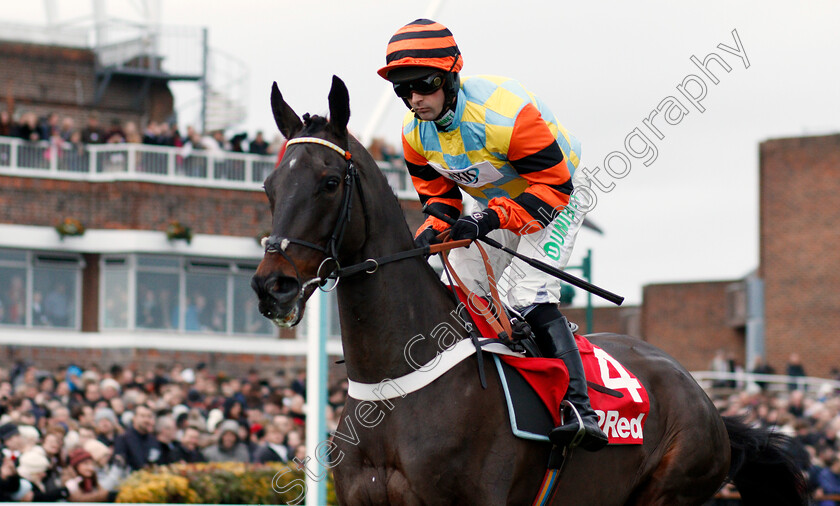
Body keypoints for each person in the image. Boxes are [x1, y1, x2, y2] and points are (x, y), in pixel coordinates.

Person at [377, 19, 605, 451]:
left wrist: (486, 220)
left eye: (423, 84)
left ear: (450, 75)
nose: (414, 99)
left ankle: (580, 409)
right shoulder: (414, 136)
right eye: (402, 90)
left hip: (559, 196)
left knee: (525, 294)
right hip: (499, 204)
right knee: (460, 285)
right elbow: (441, 203)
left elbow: (553, 189)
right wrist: (426, 236)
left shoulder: (506, 115)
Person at [113, 405, 160, 471]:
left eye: (149, 416)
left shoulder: (153, 440)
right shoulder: (123, 438)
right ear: (134, 418)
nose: (146, 420)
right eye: (142, 416)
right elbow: (119, 465)